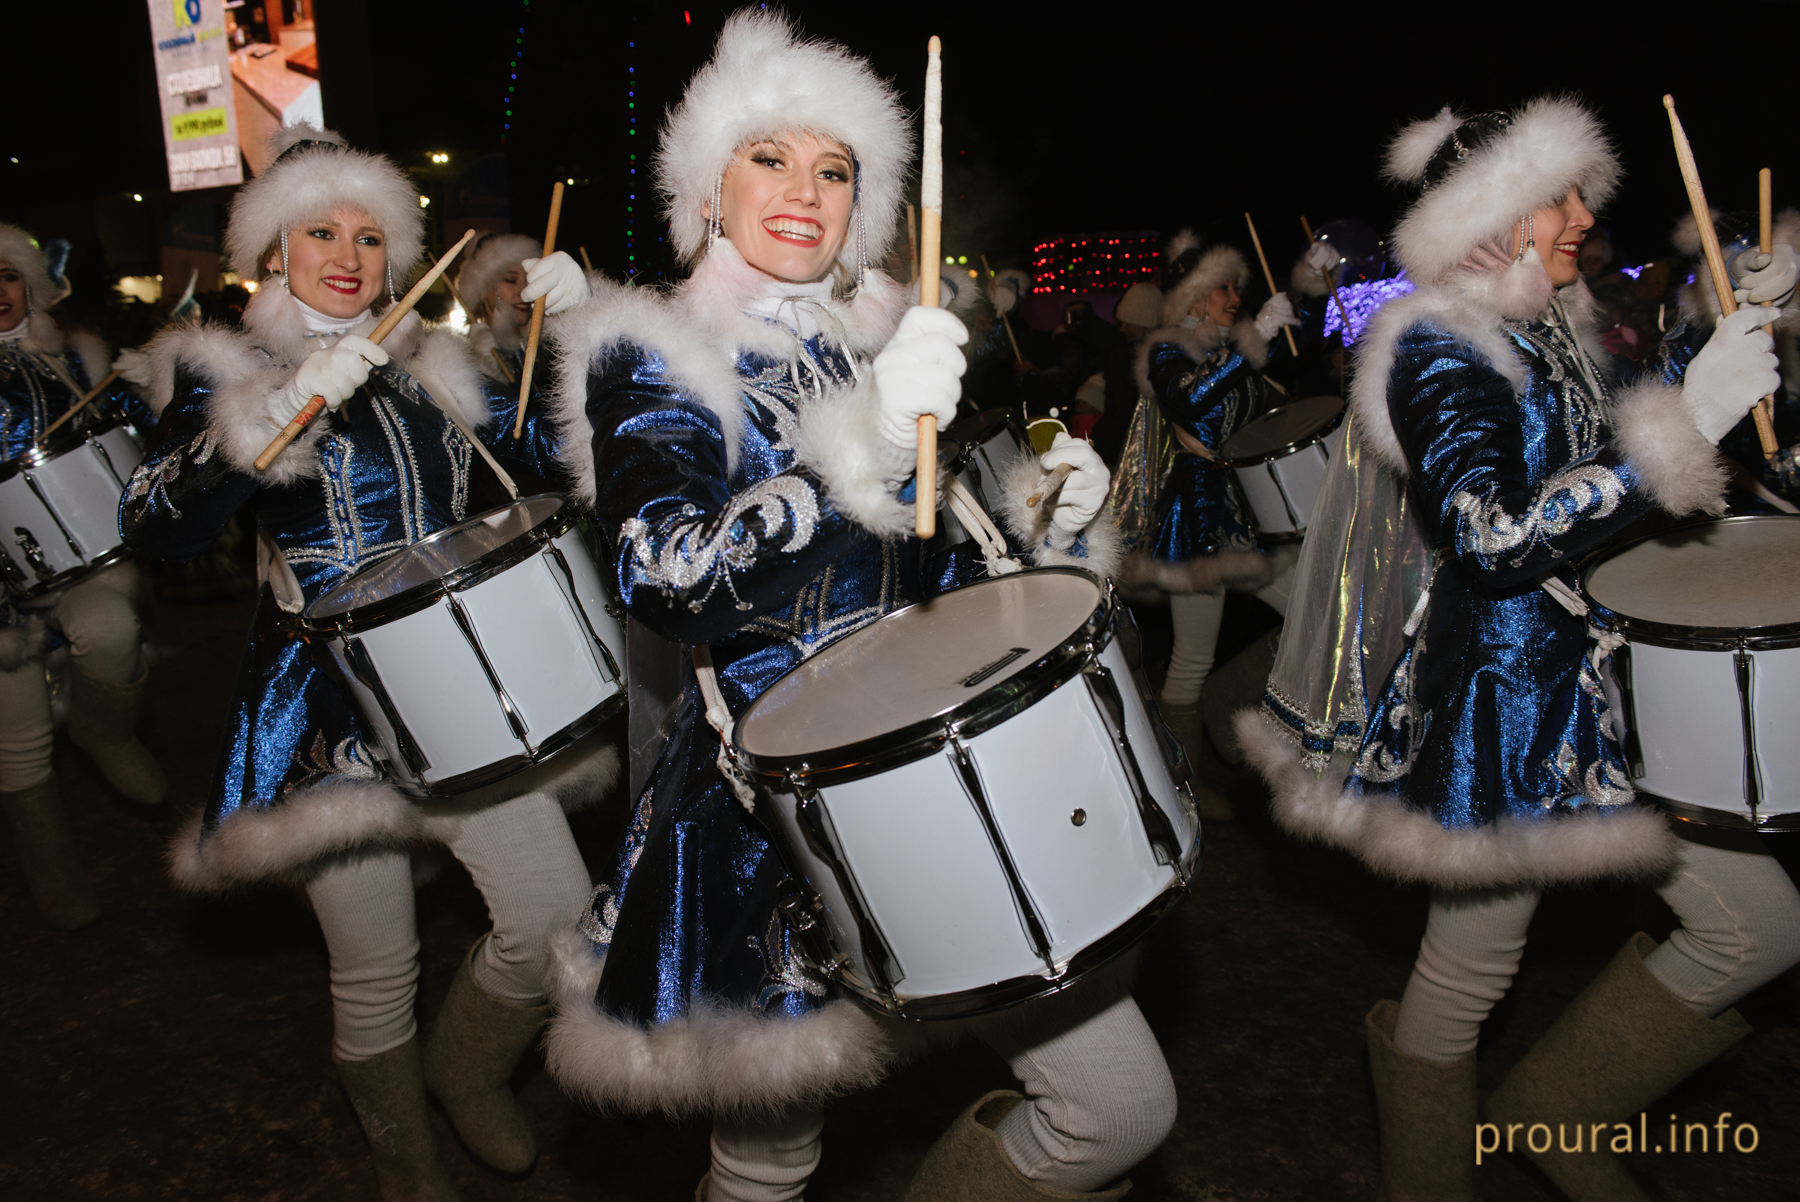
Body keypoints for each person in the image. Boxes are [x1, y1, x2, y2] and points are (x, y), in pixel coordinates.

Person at [542, 13, 1166, 1201]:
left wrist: (1044, 511)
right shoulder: (657, 352)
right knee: (770, 1155)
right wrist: (854, 453)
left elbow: (942, 552)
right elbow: (661, 575)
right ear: (707, 185)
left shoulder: (876, 339)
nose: (804, 189)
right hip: (771, 799)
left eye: (836, 169)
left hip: (948, 758)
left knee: (1119, 1105)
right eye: (769, 156)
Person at [1236, 98, 1800, 1201]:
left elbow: (1601, 436)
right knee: (1468, 972)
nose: (1584, 214)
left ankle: (1553, 1110)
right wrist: (1689, 423)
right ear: (1493, 214)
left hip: (1617, 686)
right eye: (1560, 194)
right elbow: (1493, 534)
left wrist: (1727, 328)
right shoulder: (1439, 344)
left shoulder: (1551, 316)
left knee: (1760, 924)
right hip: (1510, 701)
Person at [117, 124, 615, 1202]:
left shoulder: (432, 367)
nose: (349, 253)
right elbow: (154, 521)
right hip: (321, 713)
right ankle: (407, 1159)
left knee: (552, 922)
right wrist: (273, 415)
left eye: (371, 234)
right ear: (271, 248)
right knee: (376, 964)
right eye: (320, 230)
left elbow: (547, 463)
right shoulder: (216, 367)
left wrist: (582, 335)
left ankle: (466, 1067)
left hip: (469, 686)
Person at [0, 222, 166, 930]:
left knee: (110, 625)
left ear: (29, 283)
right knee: (18, 735)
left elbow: (126, 429)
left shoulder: (70, 356)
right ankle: (54, 880)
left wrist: (140, 383)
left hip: (86, 554)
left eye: (6, 276)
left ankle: (105, 732)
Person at [1121, 236, 1303, 817]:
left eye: (1236, 289)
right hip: (1198, 516)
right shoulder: (1166, 351)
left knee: (1312, 607)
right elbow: (1194, 402)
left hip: (1244, 513)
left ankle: (1233, 705)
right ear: (1197, 296)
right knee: (1191, 660)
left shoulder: (1228, 349)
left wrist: (1305, 291)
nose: (1234, 298)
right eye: (1224, 287)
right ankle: (1187, 790)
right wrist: (1256, 340)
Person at [455, 231, 541, 387]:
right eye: (510, 280)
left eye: (529, 280)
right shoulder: (463, 356)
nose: (525, 291)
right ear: (483, 289)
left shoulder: (544, 351)